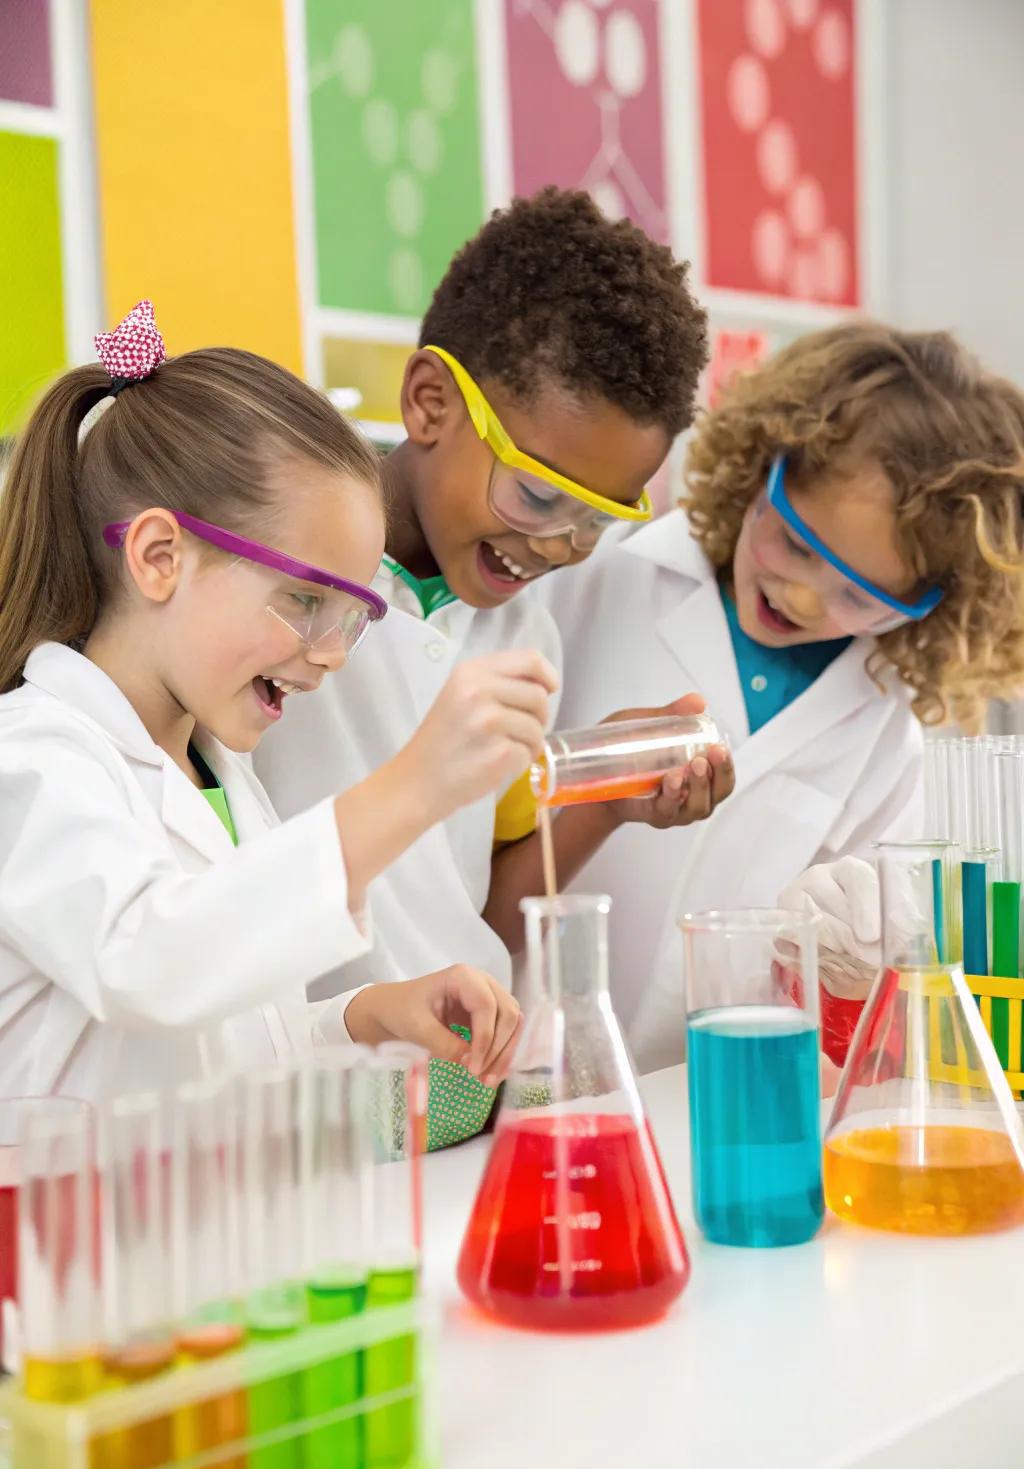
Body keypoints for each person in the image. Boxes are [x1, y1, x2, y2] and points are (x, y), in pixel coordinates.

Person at [255, 190, 731, 1146]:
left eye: (600, 518)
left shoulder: (524, 638)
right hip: (308, 1091)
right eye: (538, 495)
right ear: (430, 402)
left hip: (465, 1092)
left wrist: (609, 796)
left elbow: (479, 913)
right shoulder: (273, 589)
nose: (559, 547)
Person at [0, 300, 556, 1103]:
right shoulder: (32, 761)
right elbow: (152, 965)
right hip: (66, 1223)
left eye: (351, 617)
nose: (331, 655)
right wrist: (415, 785)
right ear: (160, 557)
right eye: (304, 602)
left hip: (201, 1211)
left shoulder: (215, 774)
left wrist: (365, 1016)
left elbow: (230, 1038)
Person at [542, 322, 1024, 1070]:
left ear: (928, 607)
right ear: (761, 467)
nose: (802, 597)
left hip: (722, 1089)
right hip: (526, 1057)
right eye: (796, 544)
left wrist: (862, 951)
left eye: (860, 596)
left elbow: (878, 966)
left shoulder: (883, 733)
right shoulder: (604, 582)